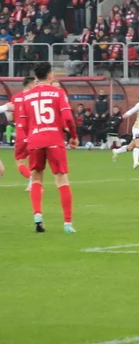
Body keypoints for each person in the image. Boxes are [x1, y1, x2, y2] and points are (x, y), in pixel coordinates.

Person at [19, 62, 78, 233]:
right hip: (54, 140)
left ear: (35, 77)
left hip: (35, 140)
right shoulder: (58, 93)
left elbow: (21, 125)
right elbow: (67, 117)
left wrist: (27, 141)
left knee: (36, 179)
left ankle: (38, 217)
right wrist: (74, 136)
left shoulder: (27, 96)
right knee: (61, 180)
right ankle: (67, 224)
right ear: (50, 75)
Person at [1, 76, 35, 191]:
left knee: (19, 160)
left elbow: (11, 116)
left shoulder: (15, 98)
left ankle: (31, 179)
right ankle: (35, 180)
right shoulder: (34, 98)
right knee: (34, 158)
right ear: (30, 84)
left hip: (21, 132)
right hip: (34, 132)